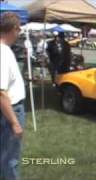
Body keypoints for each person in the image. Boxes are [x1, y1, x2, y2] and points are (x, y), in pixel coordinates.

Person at [0, 12, 25, 180]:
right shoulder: (3, 53)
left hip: (8, 111)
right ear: (14, 29)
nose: (19, 33)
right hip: (10, 112)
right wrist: (15, 123)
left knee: (4, 155)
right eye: (19, 29)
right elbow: (1, 92)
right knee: (11, 159)